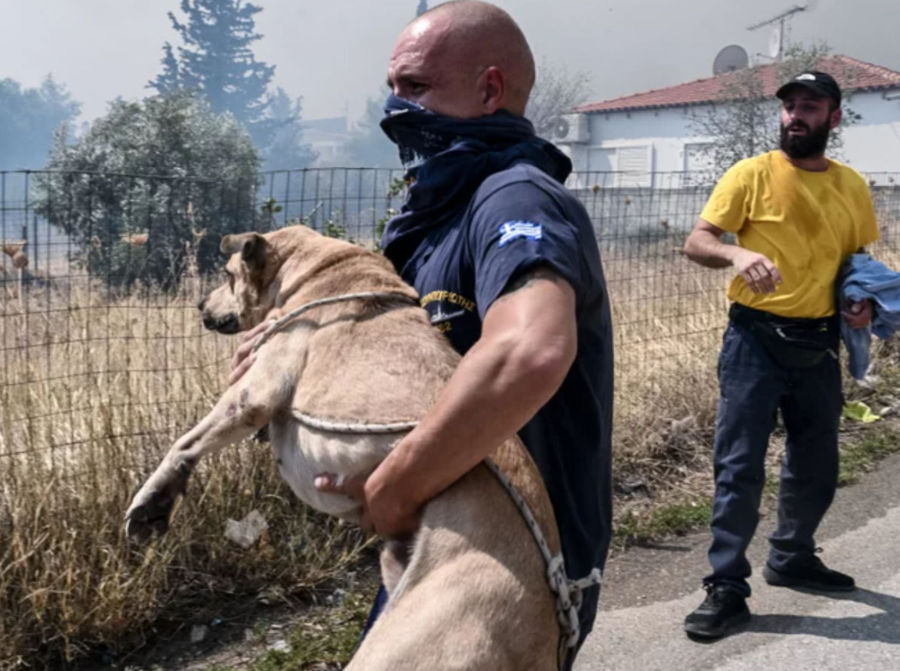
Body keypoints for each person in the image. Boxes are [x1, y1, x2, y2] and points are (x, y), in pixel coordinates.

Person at [232, 1, 613, 666]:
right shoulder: (435, 217)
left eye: (415, 87)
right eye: (392, 87)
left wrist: (398, 485)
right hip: (449, 540)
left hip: (512, 559)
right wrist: (284, 358)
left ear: (489, 88)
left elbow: (531, 349)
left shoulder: (516, 199)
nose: (394, 109)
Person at [682, 71, 879, 640]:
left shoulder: (851, 186)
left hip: (819, 342)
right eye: (790, 106)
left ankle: (792, 556)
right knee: (739, 466)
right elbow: (698, 241)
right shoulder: (751, 174)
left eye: (809, 107)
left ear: (833, 118)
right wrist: (736, 255)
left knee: (816, 462)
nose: (796, 115)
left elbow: (854, 261)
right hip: (754, 341)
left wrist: (858, 301)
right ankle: (726, 586)